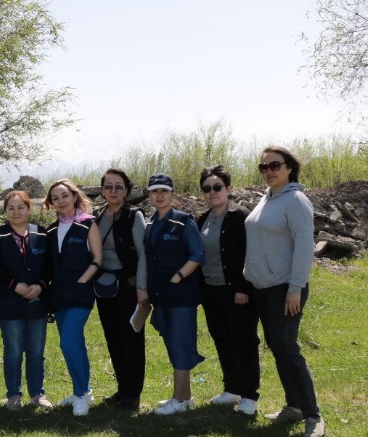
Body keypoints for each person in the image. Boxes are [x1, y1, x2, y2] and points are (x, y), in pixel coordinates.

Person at [244, 146, 326, 437]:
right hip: (263, 289)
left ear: (289, 167)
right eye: (263, 166)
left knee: (287, 347)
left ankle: (313, 415)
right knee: (278, 346)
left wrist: (295, 288)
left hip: (285, 288)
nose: (268, 171)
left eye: (274, 165)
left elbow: (304, 248)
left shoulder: (296, 201)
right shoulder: (266, 199)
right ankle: (294, 407)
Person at [196, 164, 260, 416]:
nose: (212, 192)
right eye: (207, 189)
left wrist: (243, 288)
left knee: (243, 341)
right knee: (222, 338)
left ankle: (249, 395)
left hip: (237, 292)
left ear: (228, 189)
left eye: (217, 187)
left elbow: (250, 254)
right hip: (211, 291)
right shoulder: (202, 220)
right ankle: (232, 388)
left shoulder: (241, 216)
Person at [143, 173, 205, 416]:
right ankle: (186, 397)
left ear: (172, 194)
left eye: (164, 191)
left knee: (180, 344)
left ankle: (178, 400)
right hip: (161, 295)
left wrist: (178, 276)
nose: (159, 195)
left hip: (181, 294)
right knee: (172, 342)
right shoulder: (150, 223)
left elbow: (198, 255)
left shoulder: (183, 221)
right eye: (155, 191)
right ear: (149, 195)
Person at [0, 190, 53, 411]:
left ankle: (37, 394)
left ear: (29, 209)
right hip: (8, 302)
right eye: (11, 208)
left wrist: (40, 286)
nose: (16, 212)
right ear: (5, 211)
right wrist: (15, 285)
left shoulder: (42, 233)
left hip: (37, 302)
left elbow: (50, 266)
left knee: (36, 351)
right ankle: (13, 395)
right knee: (13, 351)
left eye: (20, 207)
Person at [44, 178, 102, 417]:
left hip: (80, 294)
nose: (61, 201)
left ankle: (80, 395)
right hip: (58, 296)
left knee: (68, 342)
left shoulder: (88, 224)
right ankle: (83, 391)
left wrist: (82, 280)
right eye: (55, 198)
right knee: (74, 344)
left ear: (74, 196)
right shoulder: (51, 230)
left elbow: (98, 259)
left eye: (64, 196)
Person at [93, 168, 147, 412]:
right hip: (104, 288)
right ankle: (122, 389)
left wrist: (142, 287)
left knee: (131, 339)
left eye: (118, 187)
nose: (113, 191)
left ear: (126, 191)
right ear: (102, 190)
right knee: (113, 338)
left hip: (129, 287)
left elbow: (143, 254)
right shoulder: (97, 216)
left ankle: (133, 395)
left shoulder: (134, 216)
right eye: (108, 186)